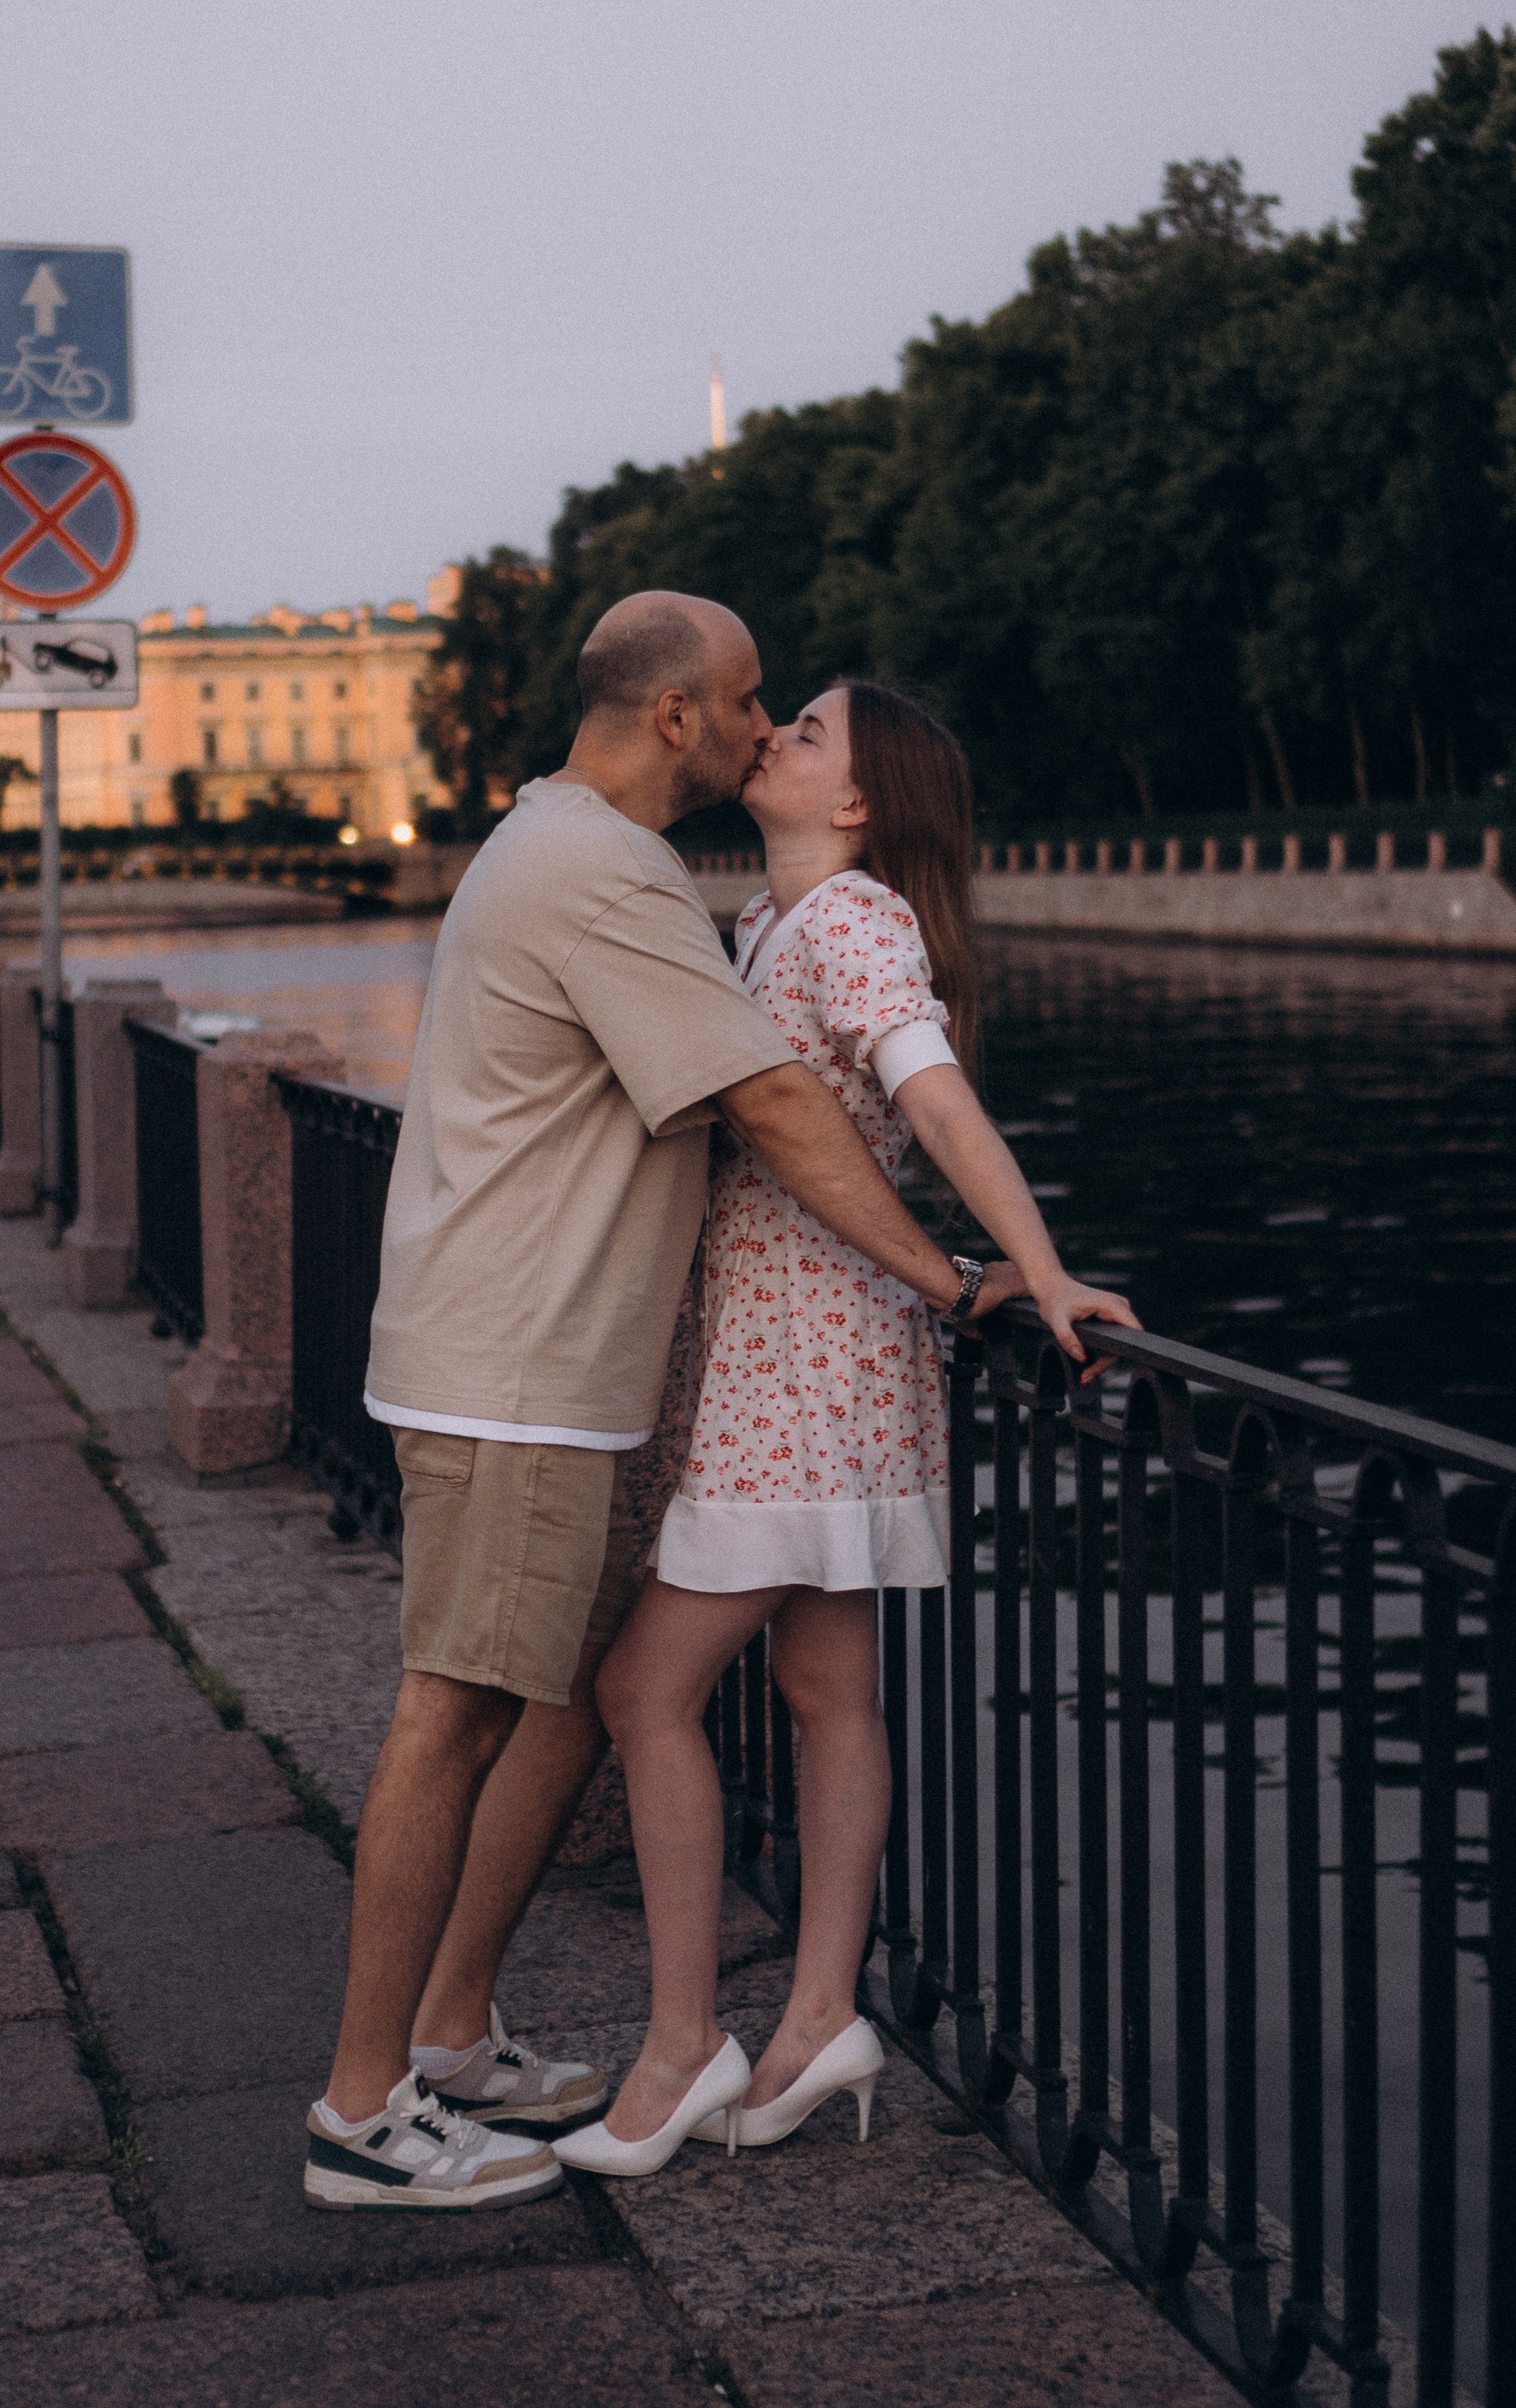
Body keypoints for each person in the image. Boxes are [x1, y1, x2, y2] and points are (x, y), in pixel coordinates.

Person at [306, 600, 1038, 2213]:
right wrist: (952, 1278)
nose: (765, 723)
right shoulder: (608, 875)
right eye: (750, 702)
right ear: (674, 719)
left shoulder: (573, 850)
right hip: (520, 1368)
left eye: (797, 716)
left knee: (573, 1696)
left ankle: (451, 2029)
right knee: (460, 1707)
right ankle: (362, 2115)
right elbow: (772, 1098)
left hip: (576, 1365)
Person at [557, 681, 1138, 2178]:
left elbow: (932, 1104)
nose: (773, 737)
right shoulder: (764, 921)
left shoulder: (852, 921)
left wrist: (1043, 1264)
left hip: (802, 1373)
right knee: (825, 1687)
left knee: (640, 1690)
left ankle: (683, 2045)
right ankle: (818, 2014)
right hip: (804, 1359)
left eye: (805, 733)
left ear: (862, 804)